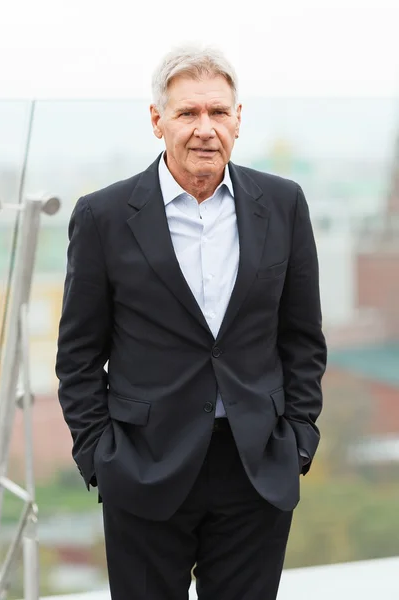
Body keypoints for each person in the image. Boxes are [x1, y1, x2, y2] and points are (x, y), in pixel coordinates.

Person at [56, 44, 327, 600]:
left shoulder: (283, 204)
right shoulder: (102, 216)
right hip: (143, 468)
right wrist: (99, 456)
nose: (205, 128)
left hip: (256, 468)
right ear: (157, 121)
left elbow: (302, 338)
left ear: (238, 119)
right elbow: (78, 355)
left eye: (218, 112)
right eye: (187, 113)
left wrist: (298, 440)